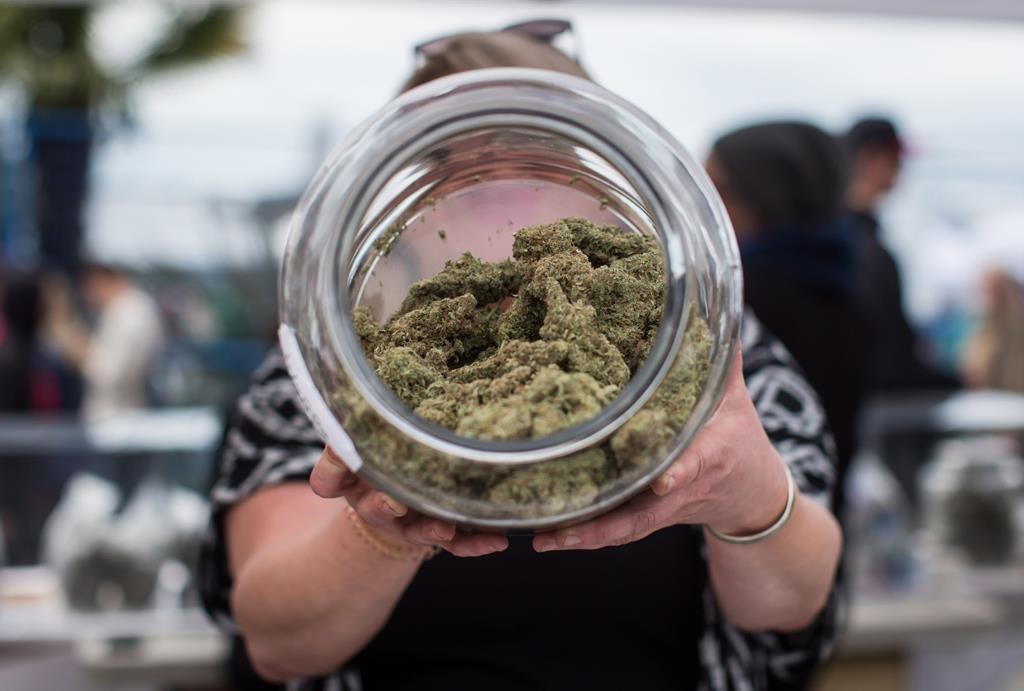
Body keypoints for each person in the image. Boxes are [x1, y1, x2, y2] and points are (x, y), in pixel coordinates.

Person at [200, 26, 843, 691]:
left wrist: (748, 495)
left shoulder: (714, 350)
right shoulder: (326, 372)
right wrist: (385, 529)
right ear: (410, 184)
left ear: (599, 171)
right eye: (458, 155)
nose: (495, 182)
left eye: (537, 153)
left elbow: (790, 606)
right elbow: (279, 642)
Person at [706, 121, 870, 520]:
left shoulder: (741, 297)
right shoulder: (851, 273)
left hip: (766, 520)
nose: (705, 206)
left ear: (760, 195)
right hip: (825, 507)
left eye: (717, 191)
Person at [844, 116, 959, 392]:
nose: (901, 171)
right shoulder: (860, 249)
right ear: (870, 158)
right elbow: (891, 357)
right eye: (895, 160)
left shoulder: (845, 239)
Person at [47, 262, 164, 419]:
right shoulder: (131, 308)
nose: (87, 294)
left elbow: (109, 376)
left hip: (116, 421)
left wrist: (73, 342)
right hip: (119, 419)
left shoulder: (129, 312)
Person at [961, 268, 1024, 392]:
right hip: (989, 399)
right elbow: (971, 372)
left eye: (994, 290)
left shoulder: (1017, 329)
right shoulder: (981, 329)